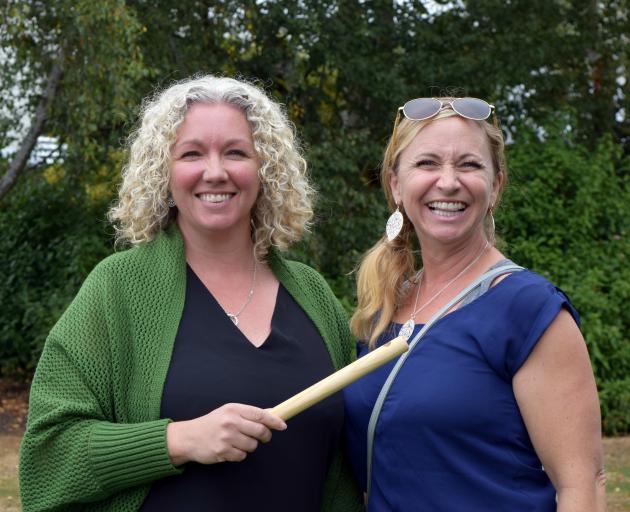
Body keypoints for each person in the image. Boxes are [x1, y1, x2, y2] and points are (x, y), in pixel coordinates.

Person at [19, 75, 362, 512]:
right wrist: (177, 439)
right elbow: (47, 458)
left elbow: (347, 461)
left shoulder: (311, 293)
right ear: (164, 171)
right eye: (192, 153)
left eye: (236, 152)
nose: (215, 172)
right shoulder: (118, 289)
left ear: (266, 169)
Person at [343, 97, 607, 511]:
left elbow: (582, 487)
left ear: (496, 185)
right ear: (395, 184)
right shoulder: (382, 309)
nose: (448, 182)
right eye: (427, 163)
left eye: (468, 165)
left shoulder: (527, 309)